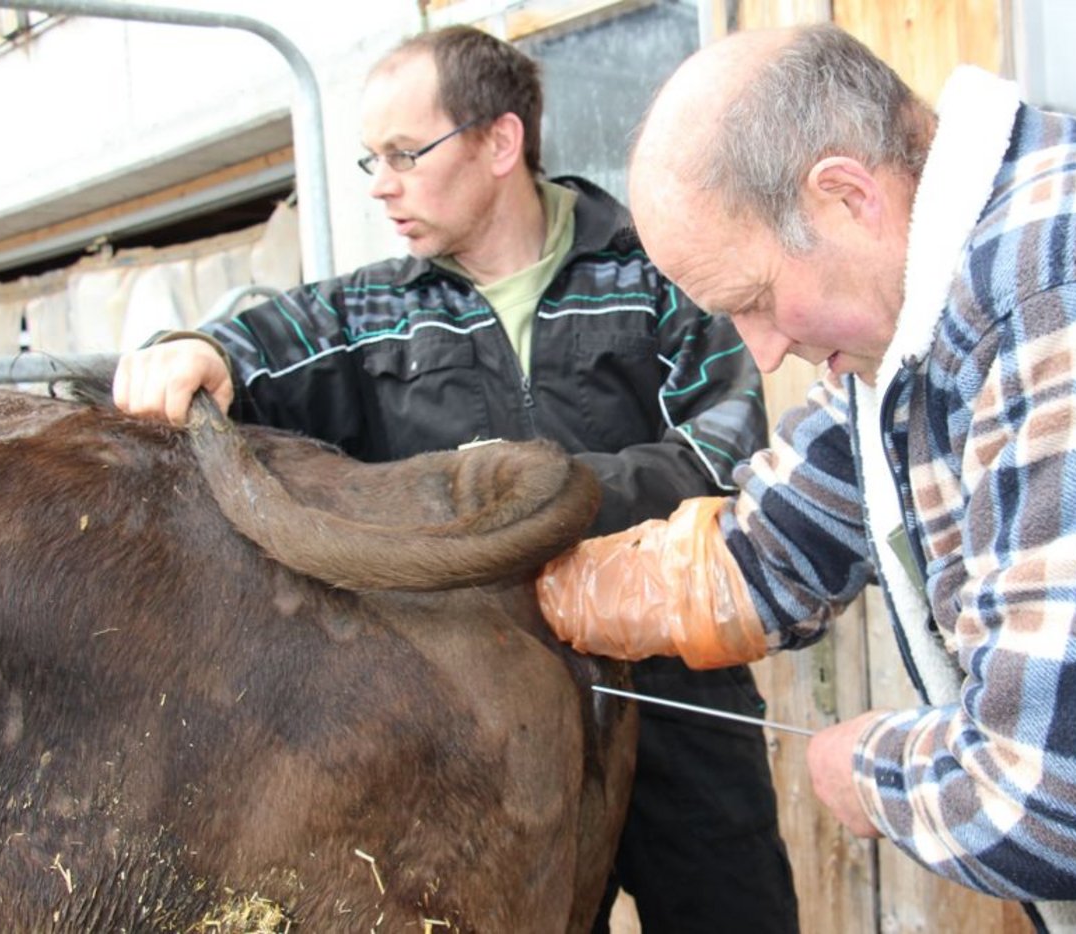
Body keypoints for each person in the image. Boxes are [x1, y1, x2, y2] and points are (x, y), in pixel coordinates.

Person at [536, 22, 1076, 932]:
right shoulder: (924, 303)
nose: (762, 354)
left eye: (755, 301)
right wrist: (523, 598)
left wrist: (869, 771)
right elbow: (768, 552)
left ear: (846, 197)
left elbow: (1071, 798)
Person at [112, 25, 800, 933]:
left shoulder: (655, 274)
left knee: (731, 914)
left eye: (406, 153)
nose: (380, 184)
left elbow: (722, 453)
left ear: (500, 141)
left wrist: (518, 495)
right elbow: (249, 351)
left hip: (673, 683)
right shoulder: (372, 311)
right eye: (372, 159)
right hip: (487, 720)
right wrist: (189, 350)